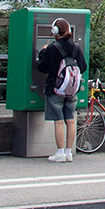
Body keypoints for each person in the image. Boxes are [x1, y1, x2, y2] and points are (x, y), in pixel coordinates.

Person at [36, 17, 85, 162]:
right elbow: (83, 66)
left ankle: (59, 153)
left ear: (55, 31)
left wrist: (42, 53)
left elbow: (43, 67)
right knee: (70, 120)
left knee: (58, 121)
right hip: (71, 89)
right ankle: (69, 152)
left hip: (55, 88)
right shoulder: (76, 47)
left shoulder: (52, 47)